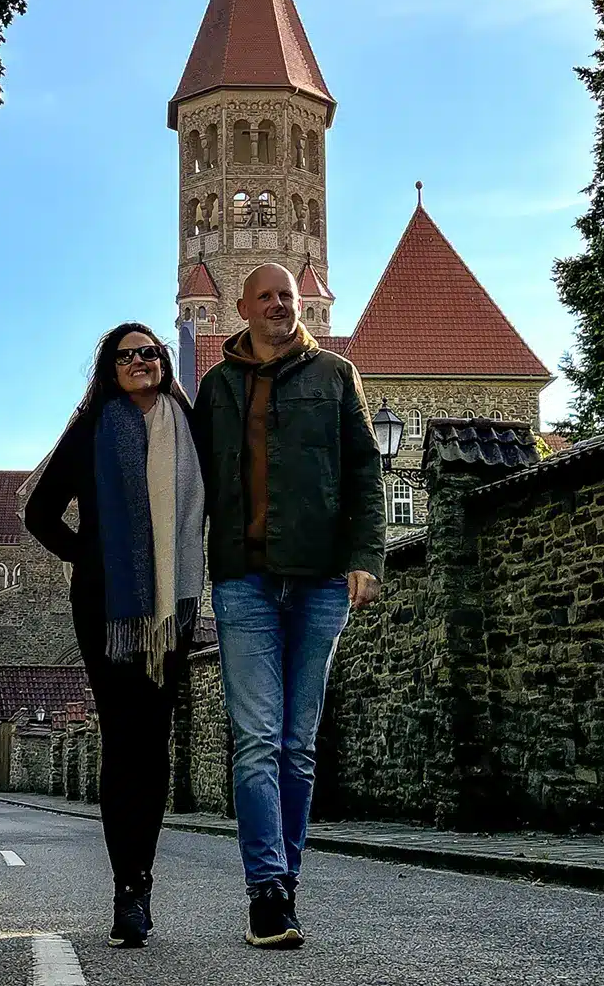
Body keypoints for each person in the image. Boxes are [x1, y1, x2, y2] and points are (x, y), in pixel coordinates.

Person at [193, 263, 386, 949]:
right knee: (255, 739)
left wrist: (367, 553)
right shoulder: (216, 387)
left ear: (301, 305)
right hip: (243, 579)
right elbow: (193, 483)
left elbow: (365, 468)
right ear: (240, 307)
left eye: (288, 296)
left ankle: (286, 879)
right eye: (266, 296)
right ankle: (266, 890)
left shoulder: (336, 375)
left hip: (320, 578)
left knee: (296, 747)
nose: (278, 304)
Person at [24, 324, 204, 949]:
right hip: (107, 610)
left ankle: (142, 877)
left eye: (150, 353)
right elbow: (39, 513)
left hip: (172, 608)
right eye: (127, 355)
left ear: (163, 362)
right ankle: (126, 889)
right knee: (123, 740)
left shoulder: (189, 426)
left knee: (155, 744)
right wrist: (91, 557)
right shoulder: (91, 430)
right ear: (109, 366)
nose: (140, 362)